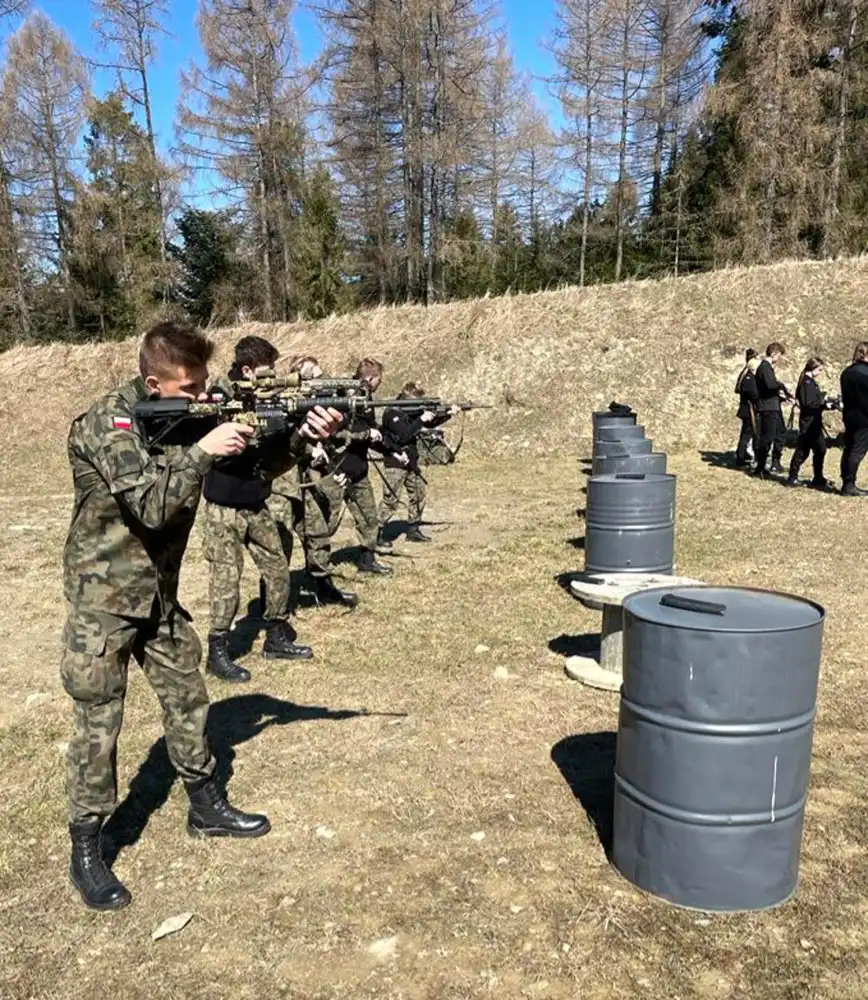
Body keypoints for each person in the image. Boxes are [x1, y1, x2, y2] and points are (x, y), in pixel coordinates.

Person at [60, 321, 341, 911]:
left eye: (204, 384)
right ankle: (88, 845)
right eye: (189, 389)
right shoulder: (107, 422)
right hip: (103, 601)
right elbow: (150, 504)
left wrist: (297, 436)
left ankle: (205, 805)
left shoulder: (187, 416)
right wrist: (203, 449)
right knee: (99, 722)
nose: (203, 397)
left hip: (159, 597)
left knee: (189, 698)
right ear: (153, 384)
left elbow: (253, 472)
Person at [202, 335, 313, 685]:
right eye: (268, 371)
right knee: (226, 578)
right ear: (248, 370)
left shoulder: (268, 399)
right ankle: (217, 650)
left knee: (277, 568)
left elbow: (274, 456)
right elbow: (217, 449)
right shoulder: (219, 398)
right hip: (223, 506)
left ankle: (276, 636)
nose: (273, 377)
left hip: (255, 501)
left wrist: (297, 430)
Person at [293, 356, 360, 608]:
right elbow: (283, 443)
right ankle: (272, 603)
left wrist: (332, 466)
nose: (321, 382)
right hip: (285, 484)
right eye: (315, 377)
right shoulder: (286, 406)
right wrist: (310, 451)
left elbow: (330, 440)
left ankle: (322, 586)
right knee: (279, 543)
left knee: (319, 532)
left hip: (310, 480)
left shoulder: (316, 409)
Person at [325, 358, 394, 575]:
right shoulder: (342, 397)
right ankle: (317, 567)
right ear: (371, 378)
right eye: (379, 379)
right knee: (327, 523)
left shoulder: (366, 398)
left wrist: (387, 444)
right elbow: (335, 433)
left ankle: (367, 560)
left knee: (369, 518)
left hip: (359, 470)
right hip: (336, 470)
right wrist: (365, 434)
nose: (380, 383)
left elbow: (370, 428)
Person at [376, 382, 458, 543]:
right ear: (406, 399)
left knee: (419, 494)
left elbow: (429, 422)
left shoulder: (410, 411)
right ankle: (375, 532)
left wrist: (448, 413)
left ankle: (413, 529)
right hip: (395, 462)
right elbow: (404, 435)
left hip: (411, 460)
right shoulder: (392, 413)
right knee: (391, 500)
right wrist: (421, 419)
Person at [786, 357, 833, 491]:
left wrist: (824, 402)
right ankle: (792, 477)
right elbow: (808, 404)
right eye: (819, 370)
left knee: (820, 449)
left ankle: (818, 477)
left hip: (814, 421)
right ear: (813, 368)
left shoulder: (810, 382)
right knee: (803, 450)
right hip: (809, 422)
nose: (820, 372)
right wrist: (823, 404)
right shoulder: (806, 383)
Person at [752, 342, 791, 479]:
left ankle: (775, 461)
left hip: (773, 405)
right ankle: (760, 467)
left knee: (780, 433)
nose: (779, 358)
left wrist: (782, 397)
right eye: (779, 355)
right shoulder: (765, 367)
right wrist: (782, 385)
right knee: (767, 437)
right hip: (768, 407)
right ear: (774, 353)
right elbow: (770, 385)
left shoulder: (767, 368)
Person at [839, 341, 868, 496]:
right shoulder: (866, 373)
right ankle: (849, 485)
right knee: (857, 450)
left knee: (849, 448)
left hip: (849, 416)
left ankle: (846, 481)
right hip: (865, 417)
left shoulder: (847, 372)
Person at [734, 348, 759, 467]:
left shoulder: (746, 375)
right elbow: (754, 394)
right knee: (747, 434)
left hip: (747, 409)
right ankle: (741, 456)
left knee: (746, 434)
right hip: (749, 410)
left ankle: (743, 454)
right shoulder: (748, 377)